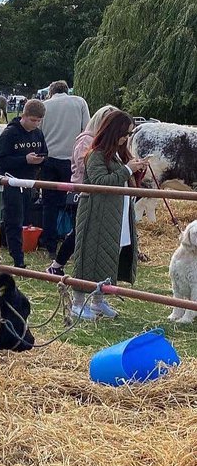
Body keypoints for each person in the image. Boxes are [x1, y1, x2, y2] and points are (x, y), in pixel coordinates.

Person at [69, 110, 146, 320]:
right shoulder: (96, 155)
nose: (127, 137)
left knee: (109, 254)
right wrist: (128, 170)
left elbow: (121, 179)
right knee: (89, 255)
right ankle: (77, 303)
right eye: (125, 133)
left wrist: (136, 170)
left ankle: (98, 301)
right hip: (96, 212)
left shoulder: (117, 154)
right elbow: (101, 182)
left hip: (116, 213)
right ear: (114, 131)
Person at [47, 104, 117, 277]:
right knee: (80, 231)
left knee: (84, 232)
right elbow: (82, 164)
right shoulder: (86, 139)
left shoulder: (105, 142)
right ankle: (57, 264)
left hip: (97, 192)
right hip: (83, 191)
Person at [0, 100, 48, 268]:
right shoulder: (10, 134)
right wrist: (24, 160)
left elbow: (45, 151)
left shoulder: (38, 134)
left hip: (28, 182)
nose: (36, 124)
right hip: (10, 180)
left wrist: (41, 159)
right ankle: (18, 259)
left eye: (39, 121)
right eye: (32, 120)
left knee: (19, 218)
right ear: (23, 116)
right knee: (14, 219)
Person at [38, 81, 89, 259]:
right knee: (76, 203)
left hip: (49, 160)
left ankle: (50, 245)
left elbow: (39, 132)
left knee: (49, 204)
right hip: (72, 160)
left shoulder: (44, 106)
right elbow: (87, 130)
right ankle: (76, 243)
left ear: (51, 92)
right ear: (67, 91)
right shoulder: (80, 102)